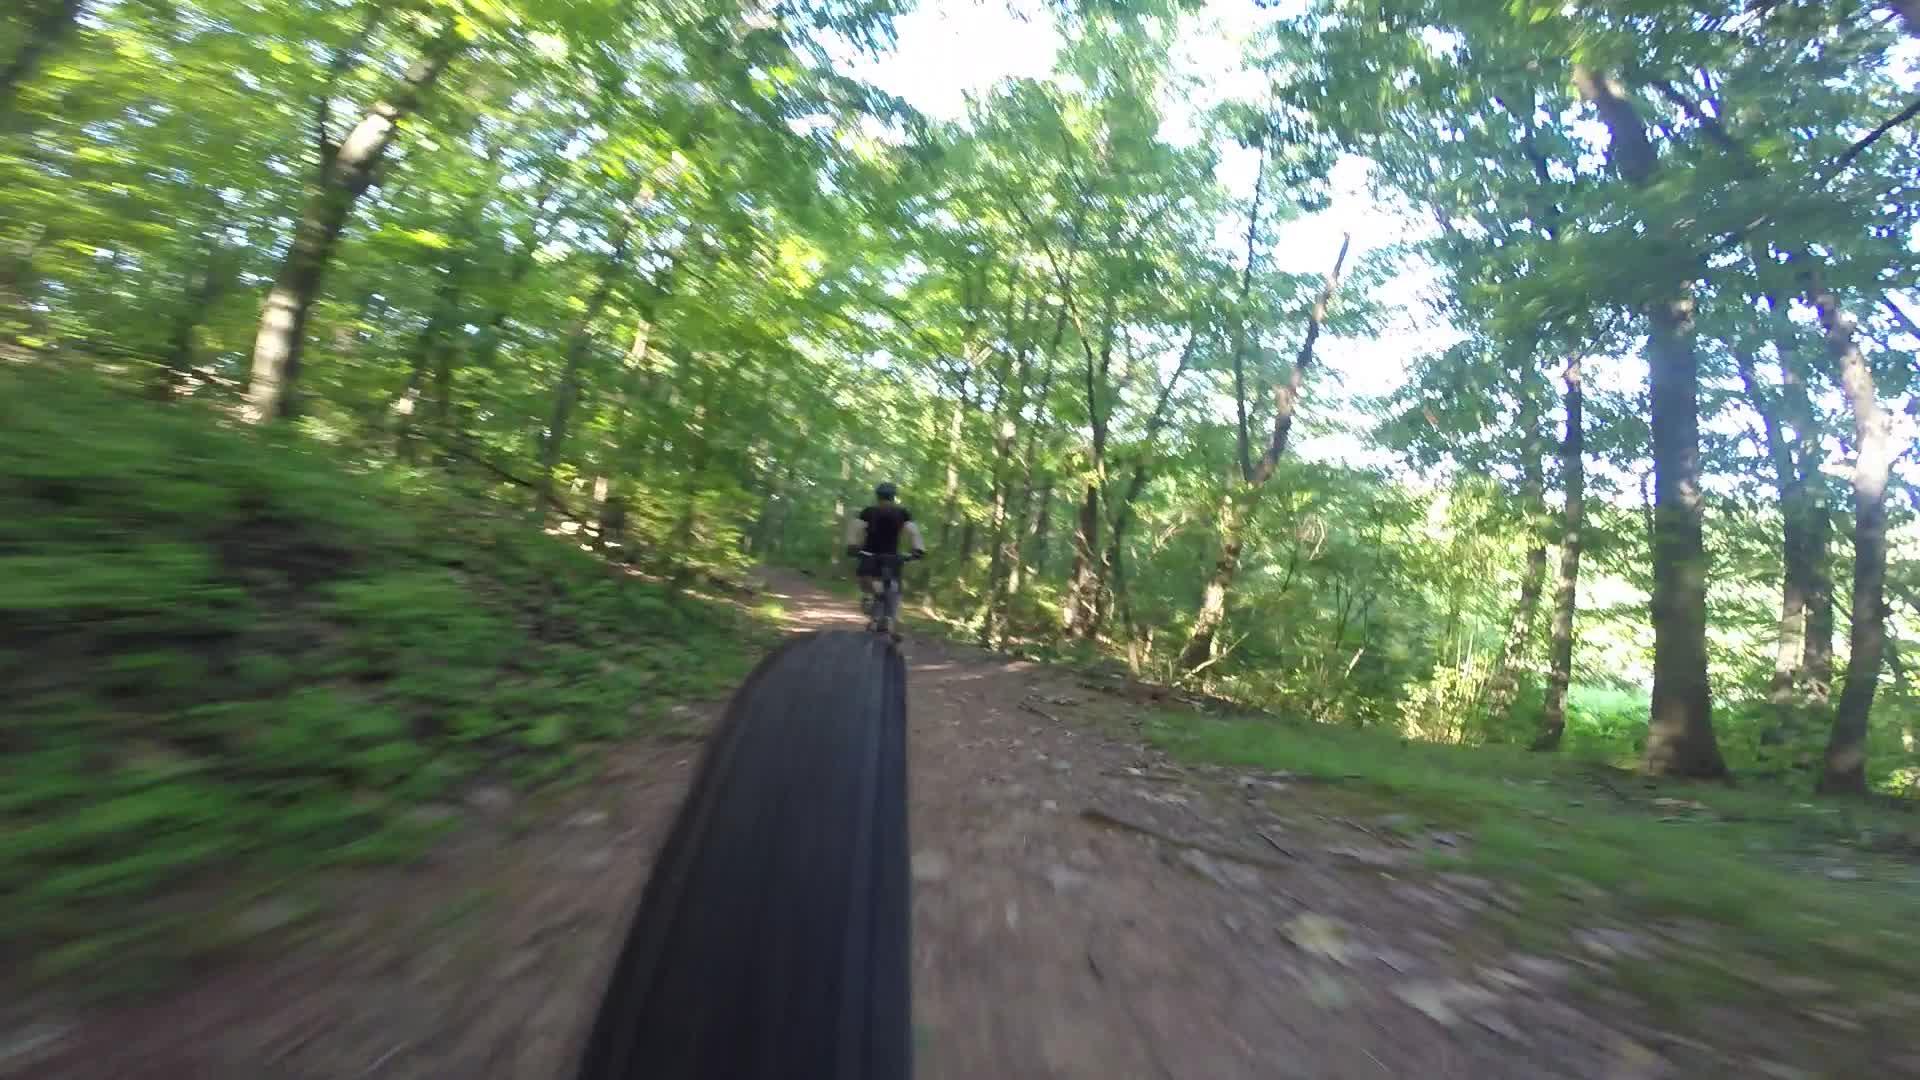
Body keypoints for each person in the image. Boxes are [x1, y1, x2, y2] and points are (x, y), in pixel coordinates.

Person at [848, 482, 925, 614]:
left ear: (878, 497)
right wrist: (918, 550)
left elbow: (855, 528)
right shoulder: (902, 513)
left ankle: (870, 597)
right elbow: (914, 532)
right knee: (894, 585)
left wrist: (852, 546)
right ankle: (888, 619)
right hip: (892, 556)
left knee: (864, 578)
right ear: (894, 497)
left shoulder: (869, 511)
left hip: (869, 555)